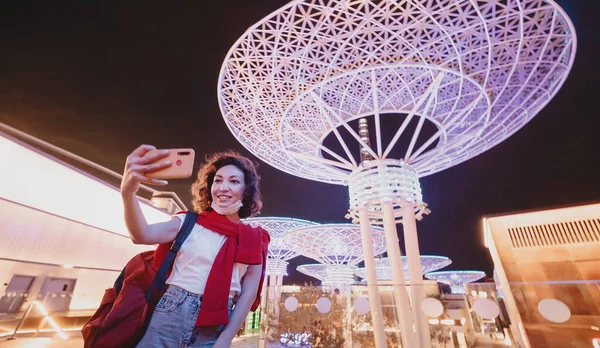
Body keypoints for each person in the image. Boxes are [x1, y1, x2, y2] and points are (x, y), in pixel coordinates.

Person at [120, 144, 269, 347]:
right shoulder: (189, 222)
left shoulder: (254, 238)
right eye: (218, 180)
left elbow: (248, 294)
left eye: (234, 181)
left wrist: (224, 340)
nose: (223, 187)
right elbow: (141, 235)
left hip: (214, 327)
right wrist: (128, 194)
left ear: (246, 190)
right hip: (171, 311)